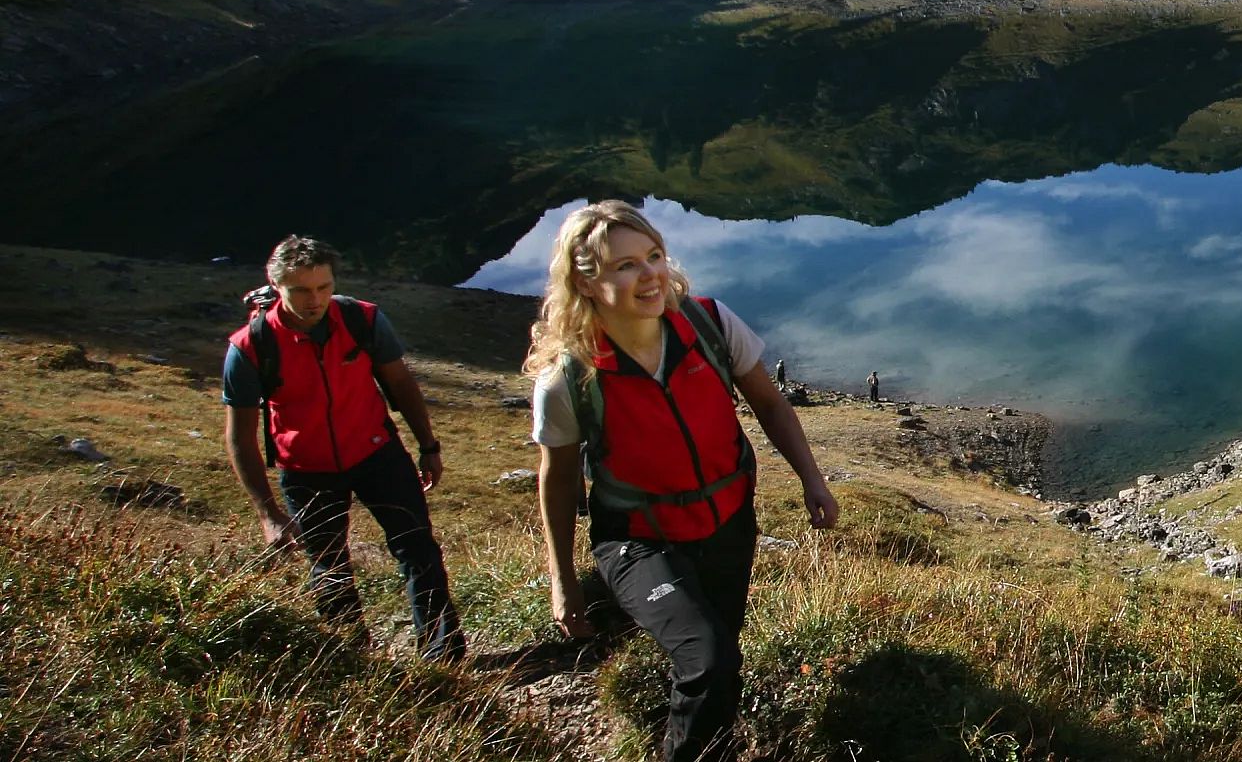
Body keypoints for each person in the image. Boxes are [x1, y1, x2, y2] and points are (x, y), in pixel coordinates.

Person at [527, 200, 839, 762]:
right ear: (587, 282)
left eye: (653, 256)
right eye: (624, 266)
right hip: (636, 537)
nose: (649, 275)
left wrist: (812, 481)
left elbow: (771, 405)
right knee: (710, 660)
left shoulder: (709, 323)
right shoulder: (569, 377)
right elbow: (557, 479)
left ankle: (689, 727)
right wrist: (562, 579)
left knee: (720, 653)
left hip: (727, 522)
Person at [221, 235, 464, 661]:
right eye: (300, 290)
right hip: (306, 468)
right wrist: (269, 514)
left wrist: (429, 445)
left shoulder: (361, 320)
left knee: (418, 548)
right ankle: (354, 661)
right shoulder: (250, 347)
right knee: (329, 568)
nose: (314, 300)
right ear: (276, 286)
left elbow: (400, 383)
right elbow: (239, 437)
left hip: (376, 454)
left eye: (323, 287)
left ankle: (443, 657)